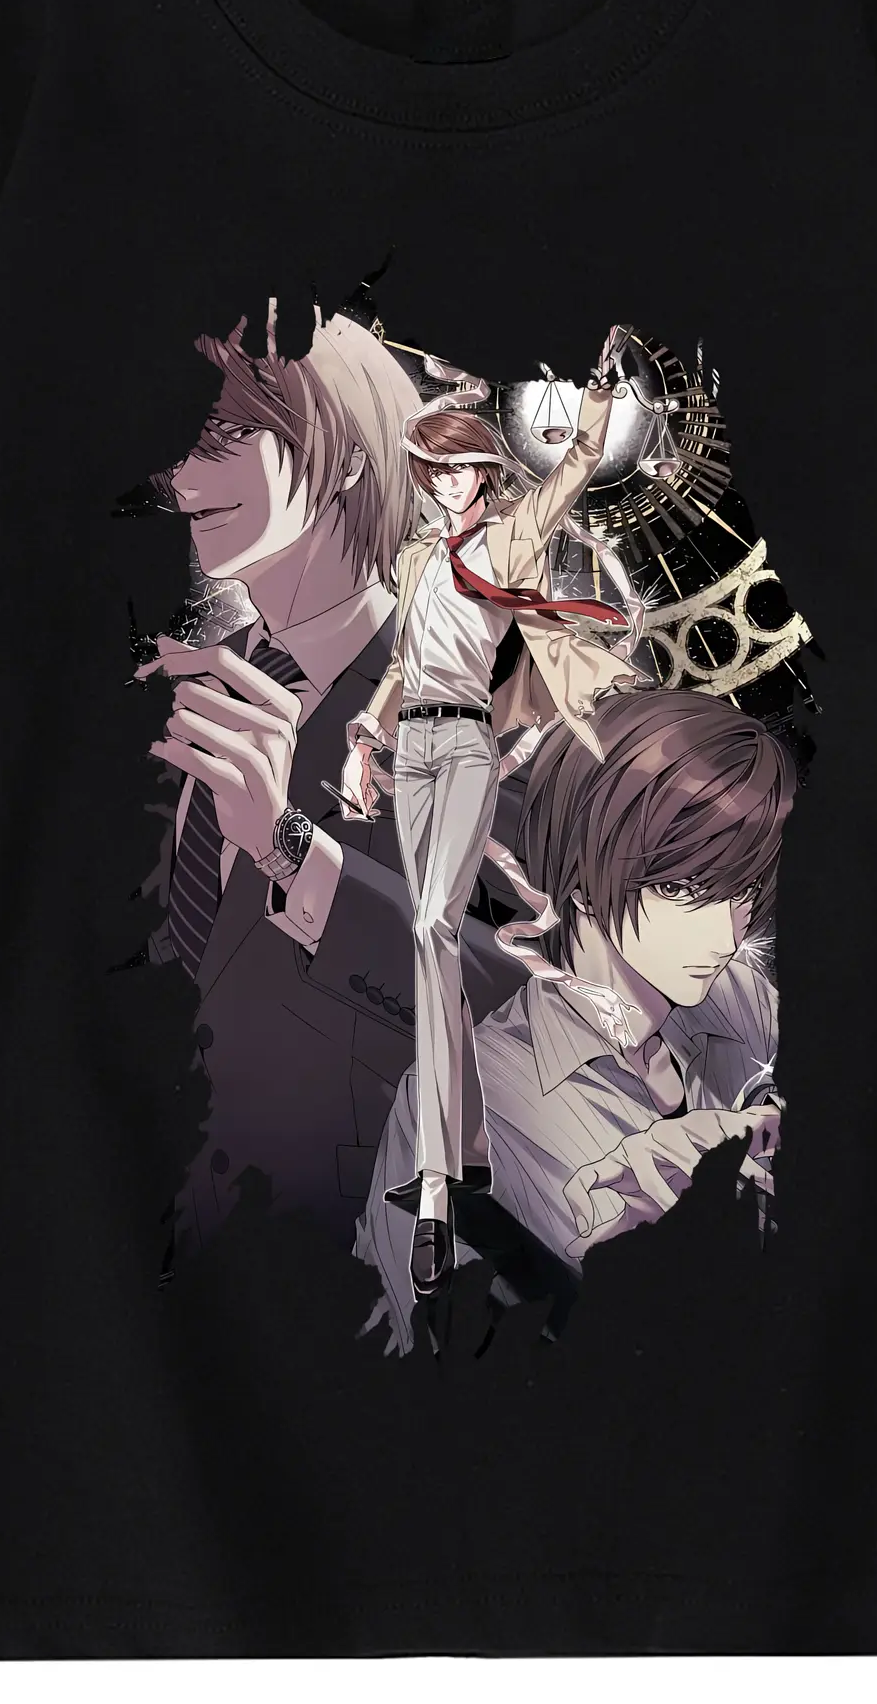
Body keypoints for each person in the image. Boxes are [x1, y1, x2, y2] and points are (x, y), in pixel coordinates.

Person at [143, 301, 526, 1257]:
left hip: (344, 1248)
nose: (182, 475)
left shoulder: (468, 688)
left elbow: (519, 997)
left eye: (226, 435)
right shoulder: (201, 677)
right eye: (182, 436)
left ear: (348, 458)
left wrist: (289, 846)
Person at [337, 350, 645, 1308]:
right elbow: (402, 666)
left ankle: (435, 1187)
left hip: (469, 746)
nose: (446, 485)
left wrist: (599, 400)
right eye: (433, 472)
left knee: (434, 926)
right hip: (411, 755)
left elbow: (575, 468)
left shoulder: (509, 540)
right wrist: (362, 740)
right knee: (427, 944)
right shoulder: (416, 558)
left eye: (460, 468)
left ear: (483, 471)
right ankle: (461, 1151)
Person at [355, 687, 797, 1354]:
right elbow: (424, 1351)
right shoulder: (463, 1102)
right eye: (681, 889)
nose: (726, 933)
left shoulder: (739, 996)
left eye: (744, 890)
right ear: (583, 876)